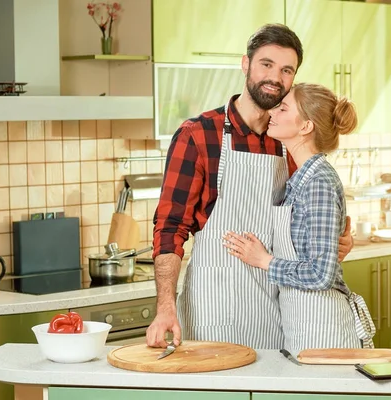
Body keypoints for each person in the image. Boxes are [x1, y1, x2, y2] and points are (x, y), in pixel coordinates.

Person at [146, 24, 354, 349]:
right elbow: (170, 227)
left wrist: (338, 241)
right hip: (214, 306)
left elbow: (317, 220)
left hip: (280, 310)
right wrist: (165, 306)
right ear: (246, 65)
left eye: (286, 70)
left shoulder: (289, 140)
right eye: (266, 64)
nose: (275, 77)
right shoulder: (199, 136)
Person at [223, 83, 376, 353]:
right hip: (304, 323)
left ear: (305, 127)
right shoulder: (301, 179)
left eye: (283, 108)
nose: (274, 112)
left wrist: (264, 260)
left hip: (324, 327)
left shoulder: (319, 182)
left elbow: (321, 274)